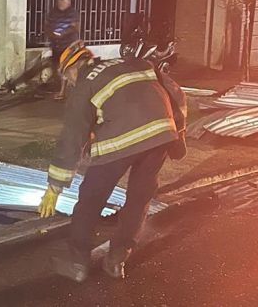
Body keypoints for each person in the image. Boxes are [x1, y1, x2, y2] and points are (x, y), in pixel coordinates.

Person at [37, 41, 187, 281]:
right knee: (139, 198)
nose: (69, 83)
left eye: (67, 77)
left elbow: (72, 137)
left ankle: (77, 263)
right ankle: (117, 259)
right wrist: (179, 136)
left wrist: (55, 186)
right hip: (160, 135)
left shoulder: (85, 83)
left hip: (121, 139)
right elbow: (175, 93)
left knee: (91, 198)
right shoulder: (137, 64)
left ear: (73, 68)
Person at [4, 0, 79, 100]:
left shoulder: (72, 13)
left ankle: (62, 92)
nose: (60, 2)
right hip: (56, 47)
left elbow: (75, 27)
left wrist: (62, 34)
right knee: (50, 68)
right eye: (58, 0)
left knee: (63, 70)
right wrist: (52, 34)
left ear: (68, 1)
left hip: (68, 48)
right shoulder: (54, 12)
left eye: (62, 0)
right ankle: (17, 83)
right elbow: (46, 26)